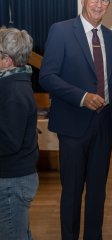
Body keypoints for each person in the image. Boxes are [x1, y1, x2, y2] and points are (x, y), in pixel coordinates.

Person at [39, 0, 112, 239]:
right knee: (72, 192)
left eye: (105, 0)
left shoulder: (110, 36)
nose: (99, 4)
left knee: (97, 192)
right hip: (73, 125)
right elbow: (47, 76)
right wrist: (82, 97)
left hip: (104, 124)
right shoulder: (61, 30)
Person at [0, 27, 39, 240]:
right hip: (13, 178)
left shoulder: (12, 91)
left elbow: (8, 142)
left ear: (7, 60)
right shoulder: (13, 84)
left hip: (12, 180)